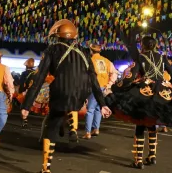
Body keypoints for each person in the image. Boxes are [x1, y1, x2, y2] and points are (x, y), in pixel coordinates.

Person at [21, 19, 111, 173]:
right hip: (81, 95)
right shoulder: (83, 52)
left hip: (61, 92)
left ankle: (46, 168)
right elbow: (93, 79)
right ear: (74, 37)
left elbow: (39, 78)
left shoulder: (52, 50)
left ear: (57, 36)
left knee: (52, 127)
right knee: (71, 104)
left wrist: (27, 106)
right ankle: (72, 128)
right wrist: (103, 103)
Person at [106, 34, 172, 169]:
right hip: (161, 91)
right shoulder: (162, 58)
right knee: (152, 121)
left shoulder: (140, 57)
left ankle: (138, 160)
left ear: (143, 45)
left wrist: (117, 87)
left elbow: (130, 78)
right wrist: (166, 83)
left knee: (140, 123)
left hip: (144, 91)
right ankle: (152, 156)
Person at [83, 44, 117, 139]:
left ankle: (88, 132)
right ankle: (96, 129)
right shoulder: (106, 61)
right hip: (103, 87)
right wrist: (109, 84)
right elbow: (114, 73)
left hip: (93, 88)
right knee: (98, 108)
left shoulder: (90, 61)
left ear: (91, 51)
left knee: (90, 110)